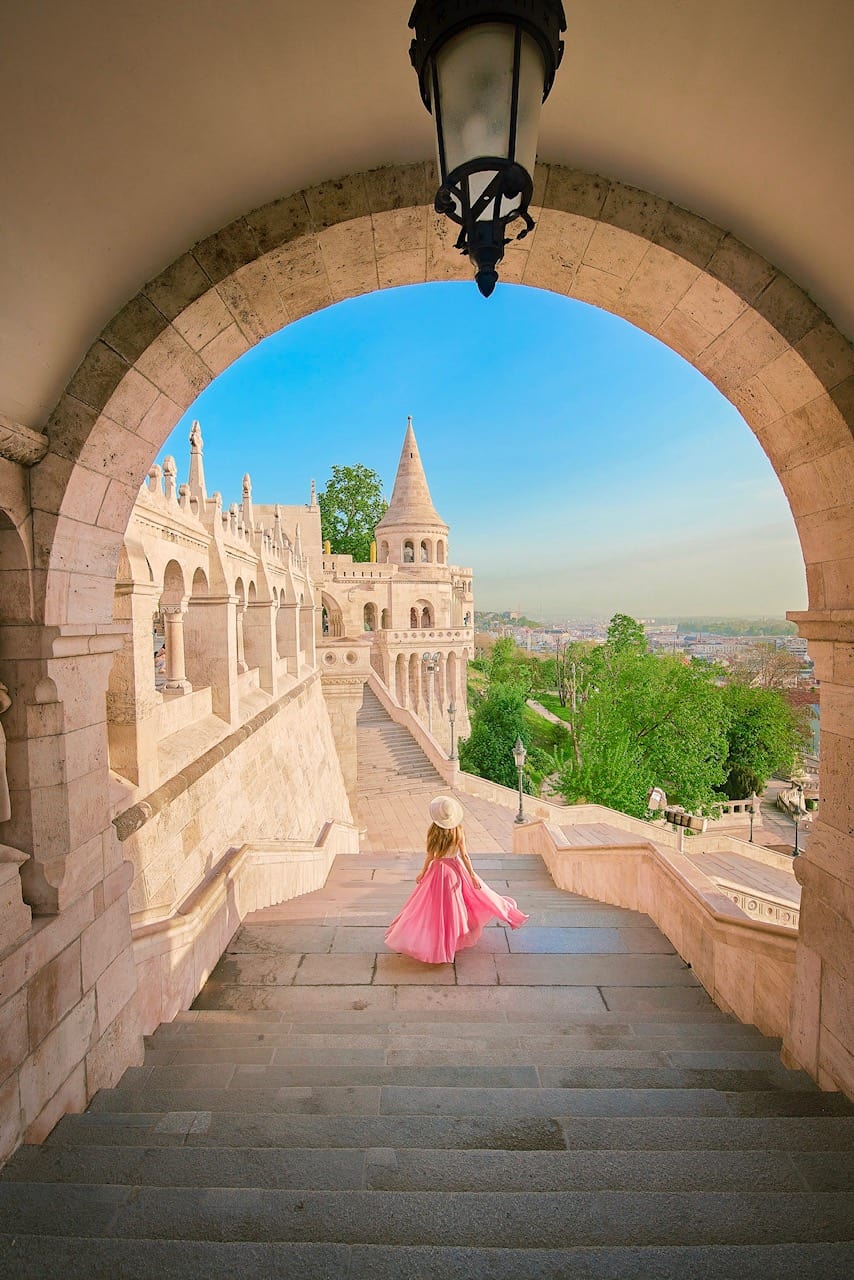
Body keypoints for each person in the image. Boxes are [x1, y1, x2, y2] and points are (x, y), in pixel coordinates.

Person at [384, 794, 528, 965]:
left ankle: (433, 937)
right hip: (454, 871)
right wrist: (472, 876)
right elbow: (465, 855)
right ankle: (454, 938)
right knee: (455, 906)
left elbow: (430, 855)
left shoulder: (433, 831)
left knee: (432, 906)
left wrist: (423, 872)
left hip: (437, 871)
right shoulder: (458, 831)